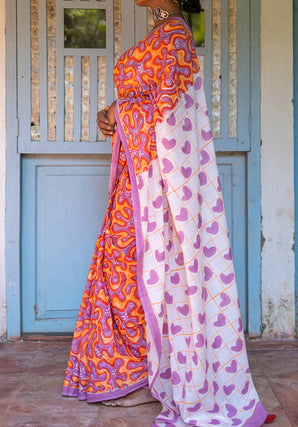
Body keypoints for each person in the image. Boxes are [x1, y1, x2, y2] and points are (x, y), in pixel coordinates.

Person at [62, 1, 276, 425]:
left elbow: (172, 121)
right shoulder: (165, 36)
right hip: (135, 182)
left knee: (135, 274)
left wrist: (118, 113)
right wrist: (115, 112)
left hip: (158, 190)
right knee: (121, 274)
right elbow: (146, 103)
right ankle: (140, 375)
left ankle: (154, 378)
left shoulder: (177, 38)